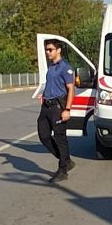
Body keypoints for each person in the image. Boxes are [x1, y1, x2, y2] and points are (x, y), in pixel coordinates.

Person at [31, 38, 76, 181]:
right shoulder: (51, 67)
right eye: (46, 49)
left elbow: (71, 89)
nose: (48, 52)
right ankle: (66, 159)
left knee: (59, 138)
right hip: (46, 106)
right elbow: (51, 85)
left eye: (50, 49)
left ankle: (63, 170)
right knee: (43, 135)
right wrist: (43, 95)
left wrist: (67, 109)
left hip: (58, 107)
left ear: (58, 50)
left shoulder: (65, 67)